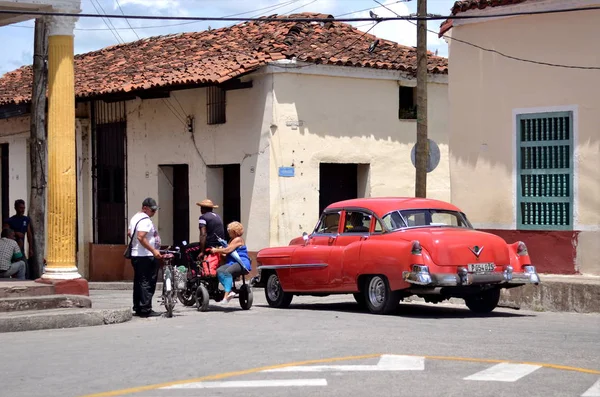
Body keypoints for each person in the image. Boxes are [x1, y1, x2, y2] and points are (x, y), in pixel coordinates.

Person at [128, 197, 163, 318]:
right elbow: (140, 237)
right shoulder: (145, 220)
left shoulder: (135, 218)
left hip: (137, 254)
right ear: (145, 208)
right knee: (147, 282)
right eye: (152, 210)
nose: (154, 212)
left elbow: (129, 233)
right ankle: (145, 309)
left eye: (155, 210)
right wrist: (153, 250)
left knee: (139, 281)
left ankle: (138, 306)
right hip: (145, 256)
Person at [211, 221, 251, 302]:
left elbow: (228, 250)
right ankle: (229, 289)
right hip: (232, 263)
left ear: (234, 231)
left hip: (241, 263)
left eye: (229, 230)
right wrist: (221, 252)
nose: (228, 231)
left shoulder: (238, 239)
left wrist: (216, 250)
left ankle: (227, 295)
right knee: (219, 271)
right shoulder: (231, 240)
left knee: (227, 272)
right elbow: (227, 253)